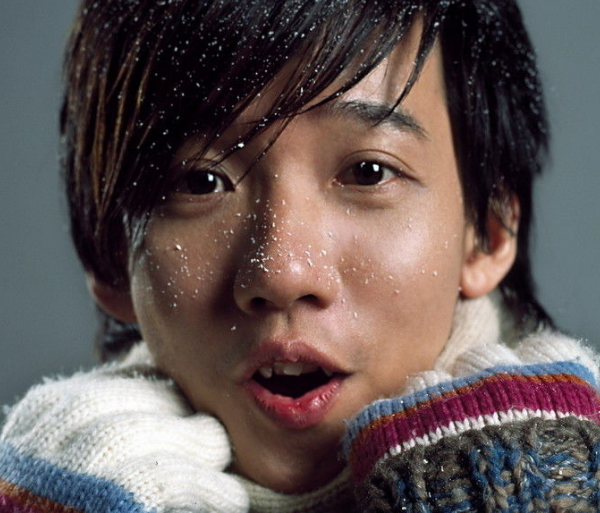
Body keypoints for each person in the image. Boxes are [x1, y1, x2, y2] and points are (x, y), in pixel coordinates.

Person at [1, 0, 599, 511]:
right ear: (110, 256)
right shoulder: (55, 482)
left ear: (488, 232)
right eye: (201, 182)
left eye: (368, 173)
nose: (283, 273)